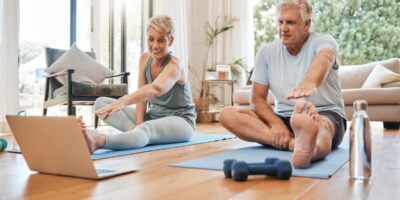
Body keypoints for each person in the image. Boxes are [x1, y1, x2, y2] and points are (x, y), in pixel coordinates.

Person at [219, 0, 346, 169]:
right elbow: (257, 99)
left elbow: (325, 58)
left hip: (324, 113)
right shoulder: (266, 52)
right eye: (280, 22)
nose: (283, 28)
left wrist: (310, 82)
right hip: (284, 117)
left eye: (290, 22)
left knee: (322, 127)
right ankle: (296, 144)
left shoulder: (324, 41)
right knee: (227, 114)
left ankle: (310, 147)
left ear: (307, 23)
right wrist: (276, 125)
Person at [78, 15, 196, 153]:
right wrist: (139, 122)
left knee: (146, 128)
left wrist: (122, 101)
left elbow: (155, 89)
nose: (155, 46)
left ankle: (99, 140)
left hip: (181, 121)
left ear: (171, 40)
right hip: (153, 116)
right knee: (101, 104)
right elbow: (142, 95)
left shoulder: (175, 65)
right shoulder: (145, 59)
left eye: (161, 40)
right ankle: (136, 135)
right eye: (151, 39)